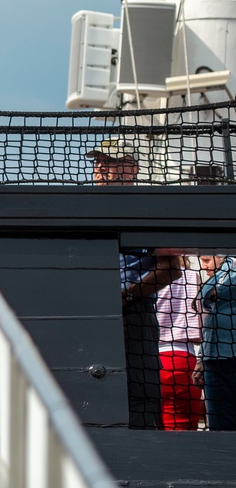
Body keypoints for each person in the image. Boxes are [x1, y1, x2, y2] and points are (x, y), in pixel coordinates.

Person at [87, 139, 184, 429]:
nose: (102, 167)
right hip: (89, 315)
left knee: (140, 391)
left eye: (110, 161)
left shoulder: (151, 209)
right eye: (98, 161)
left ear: (132, 168)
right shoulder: (81, 207)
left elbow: (171, 269)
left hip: (133, 314)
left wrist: (126, 297)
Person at [155, 259, 204, 429]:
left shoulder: (146, 277)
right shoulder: (191, 276)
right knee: (182, 430)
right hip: (183, 360)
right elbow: (201, 321)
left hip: (148, 359)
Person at [194, 255, 236, 430]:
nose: (204, 266)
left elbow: (211, 296)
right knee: (219, 430)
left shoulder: (229, 271)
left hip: (231, 359)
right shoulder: (224, 273)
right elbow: (205, 298)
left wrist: (228, 261)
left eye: (206, 260)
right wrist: (202, 358)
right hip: (214, 360)